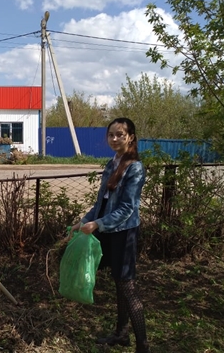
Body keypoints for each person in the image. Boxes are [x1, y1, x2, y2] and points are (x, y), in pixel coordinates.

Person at [69, 117, 149, 353]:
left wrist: (97, 224)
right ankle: (121, 334)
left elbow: (127, 209)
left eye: (120, 135)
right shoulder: (111, 163)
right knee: (119, 284)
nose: (114, 139)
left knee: (128, 287)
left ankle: (143, 345)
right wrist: (83, 221)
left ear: (130, 137)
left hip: (124, 234)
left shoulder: (135, 167)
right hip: (107, 230)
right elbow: (101, 202)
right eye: (111, 135)